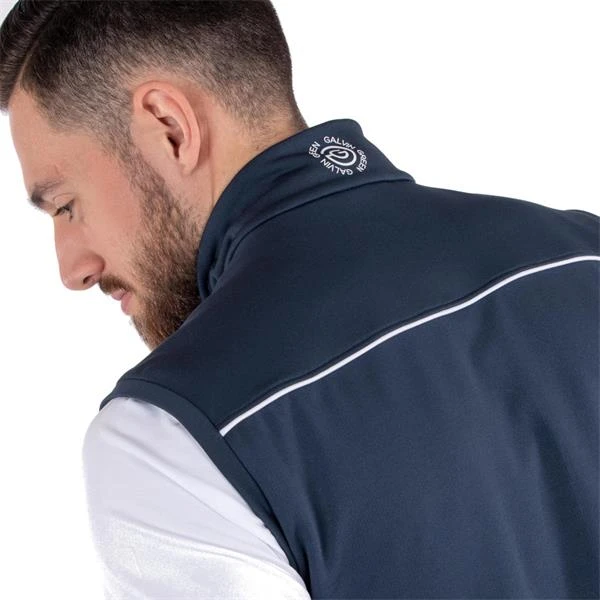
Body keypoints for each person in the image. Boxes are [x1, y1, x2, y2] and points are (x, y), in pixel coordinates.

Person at [2, 1, 598, 598]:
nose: (73, 269)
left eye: (66, 206)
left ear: (170, 128)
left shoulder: (165, 440)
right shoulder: (583, 253)